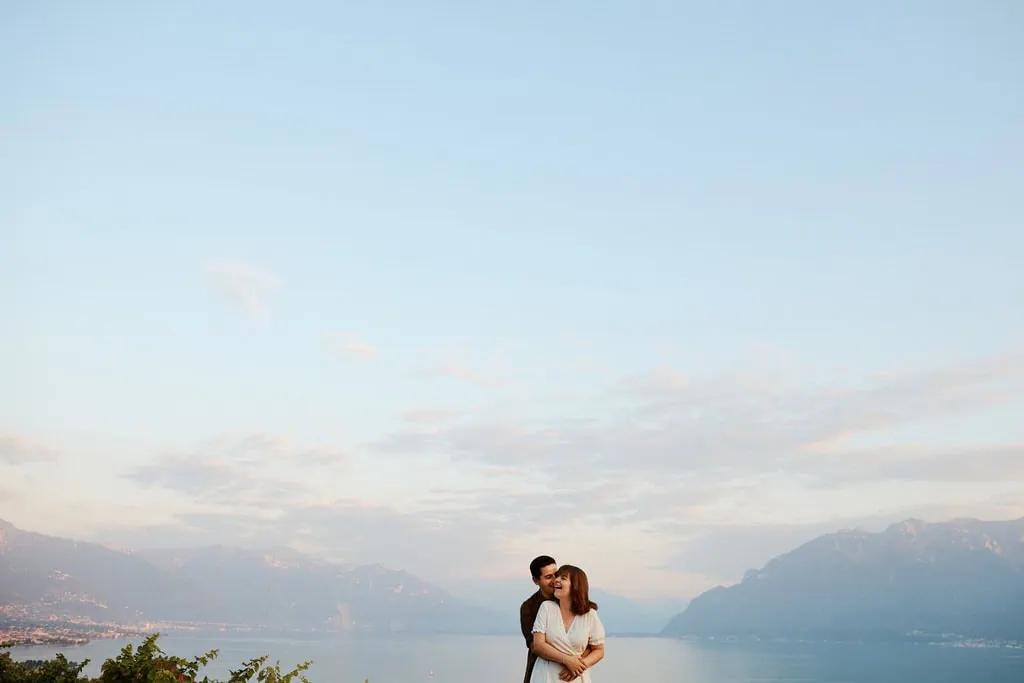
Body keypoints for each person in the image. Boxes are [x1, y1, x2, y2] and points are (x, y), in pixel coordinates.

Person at [530, 564, 605, 683]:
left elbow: (599, 650)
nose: (556, 580)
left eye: (563, 578)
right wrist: (567, 660)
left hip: (576, 678)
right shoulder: (546, 608)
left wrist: (578, 666)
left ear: (575, 585)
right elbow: (538, 645)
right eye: (557, 577)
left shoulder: (589, 615)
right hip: (546, 677)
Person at [520, 555, 558, 683]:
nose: (554, 580)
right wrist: (567, 659)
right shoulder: (528, 607)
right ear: (536, 580)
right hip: (540, 672)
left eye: (556, 574)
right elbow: (535, 646)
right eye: (548, 577)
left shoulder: (568, 601)